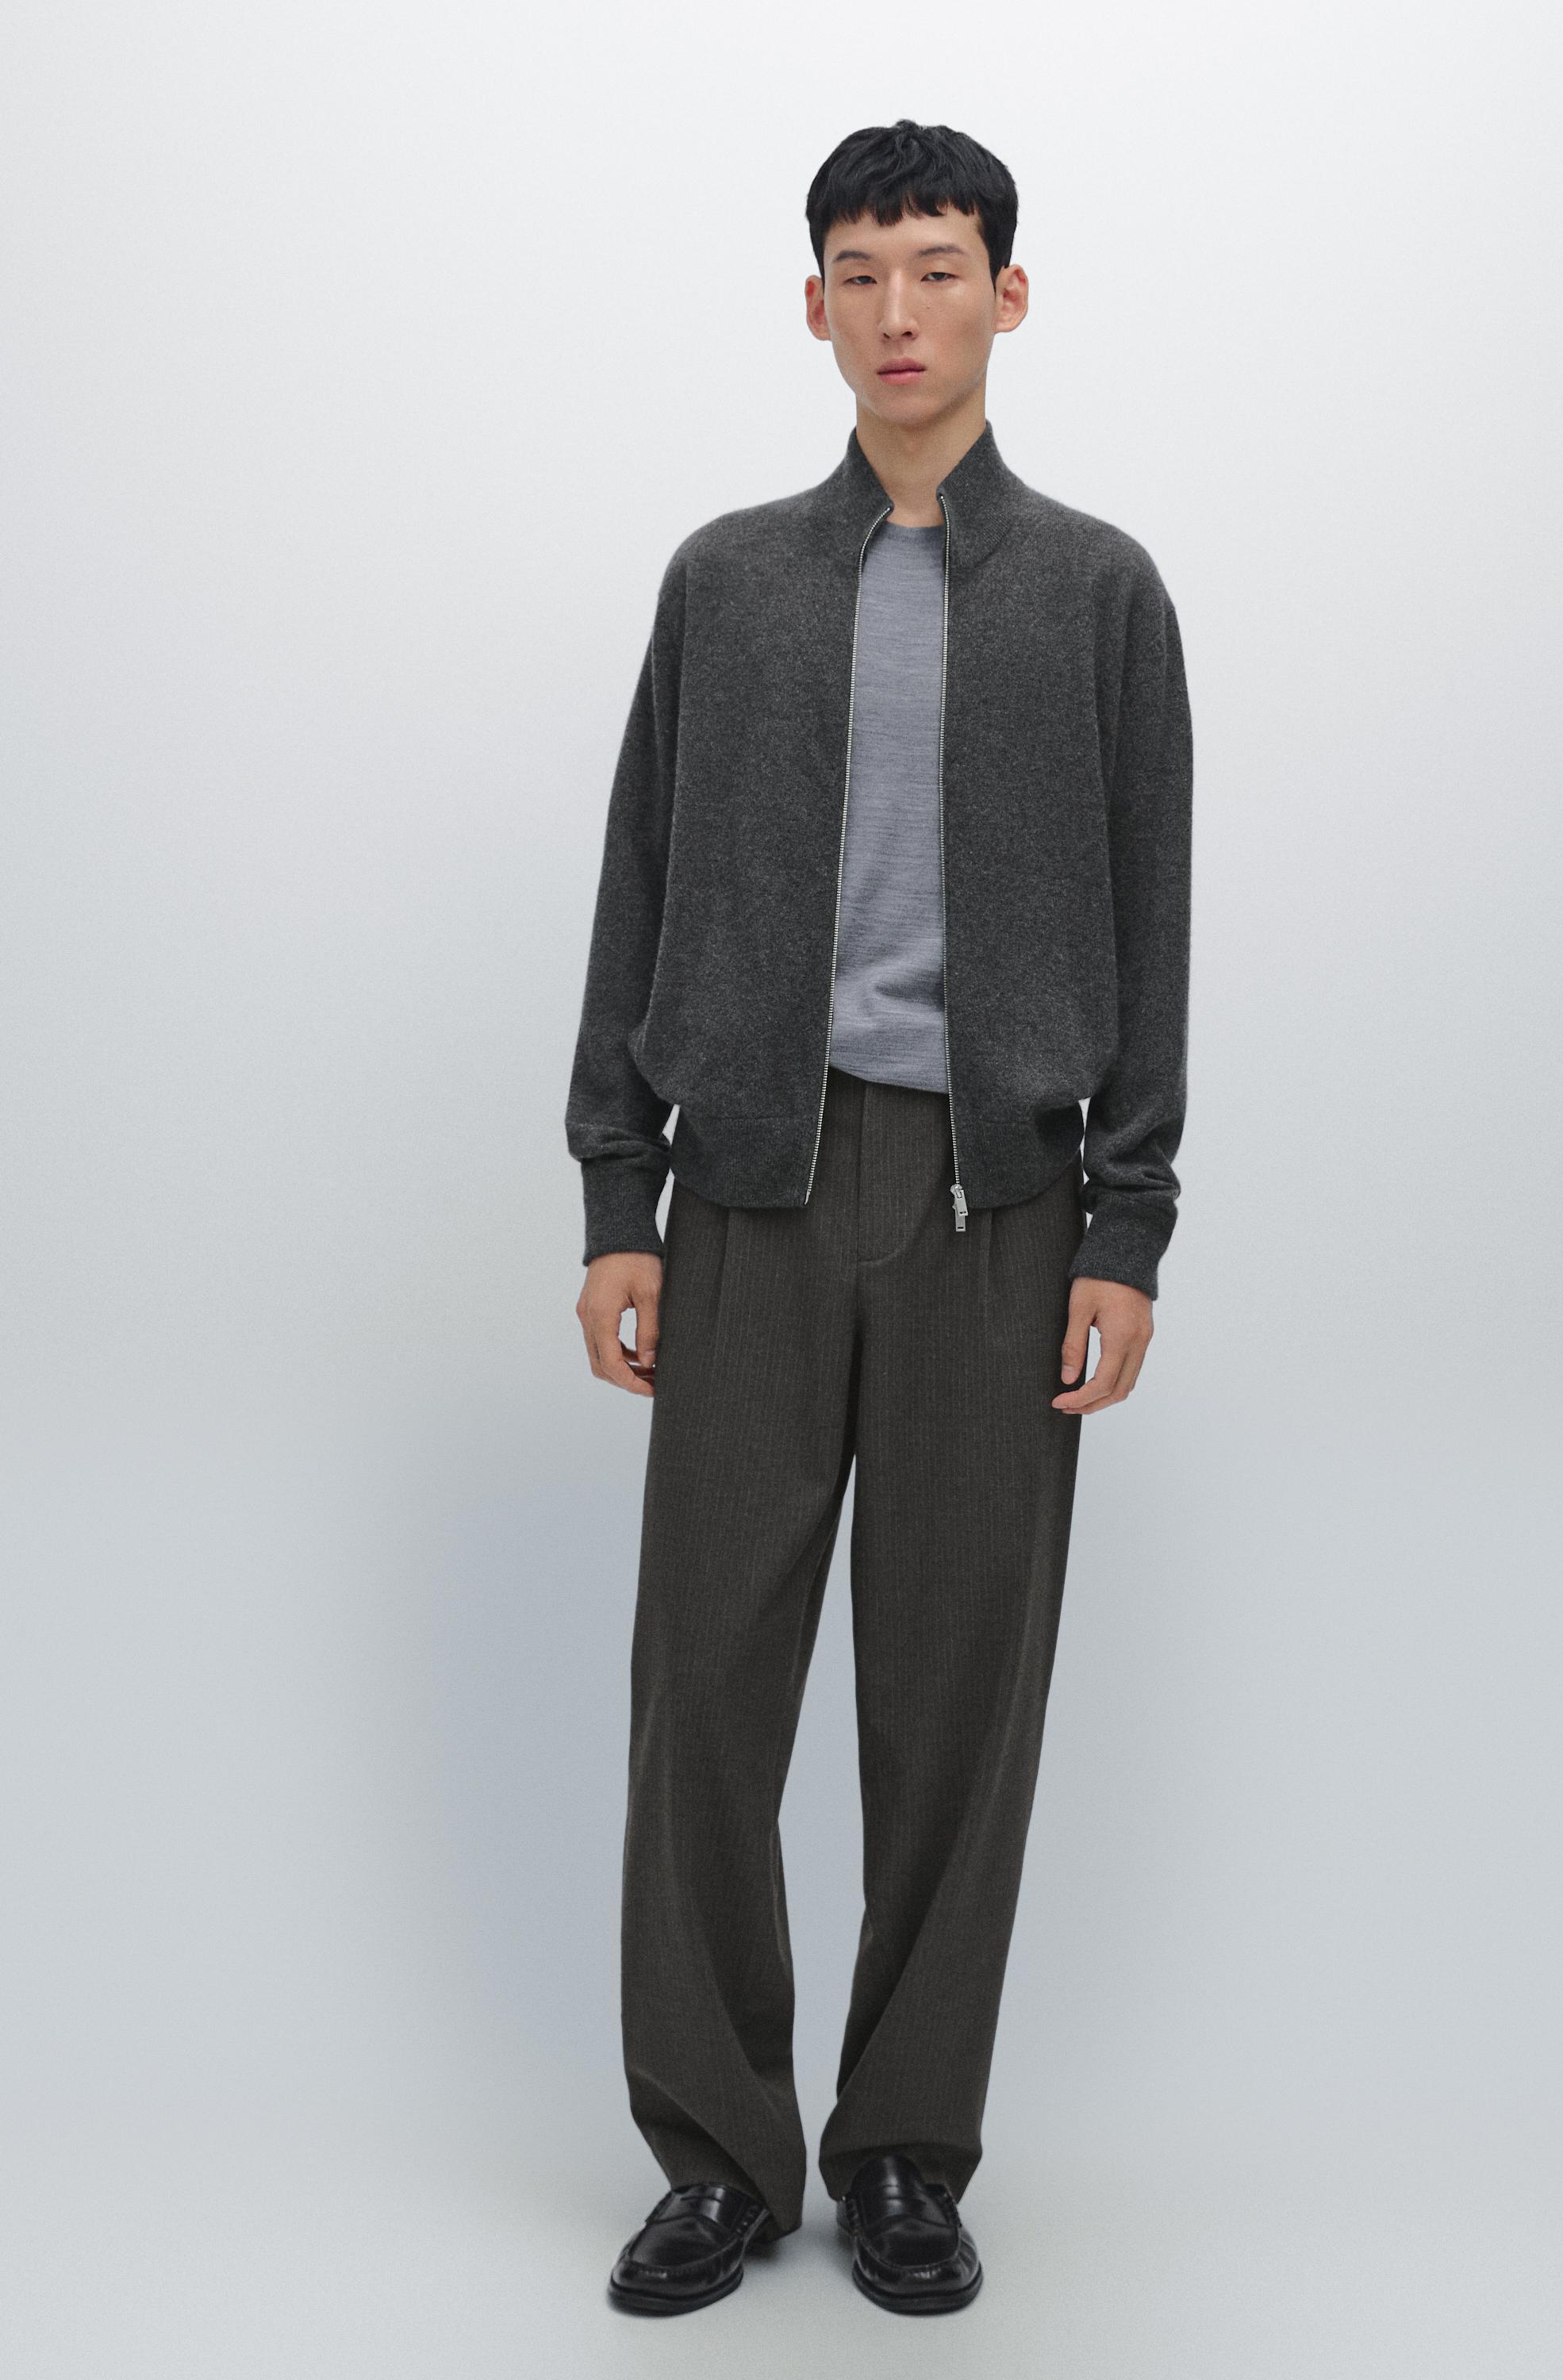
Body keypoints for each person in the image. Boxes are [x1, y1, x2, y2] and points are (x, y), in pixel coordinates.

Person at [566, 116, 1193, 2317]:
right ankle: (719, 2154)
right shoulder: (728, 582)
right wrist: (617, 1190)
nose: (899, 311)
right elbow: (640, 880)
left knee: (955, 1705)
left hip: (995, 1211)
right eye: (860, 272)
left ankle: (906, 2149)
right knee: (704, 1692)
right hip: (749, 1190)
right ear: (813, 306)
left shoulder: (1098, 593)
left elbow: (1154, 922)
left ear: (1006, 297)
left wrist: (1125, 1229)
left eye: (938, 269)